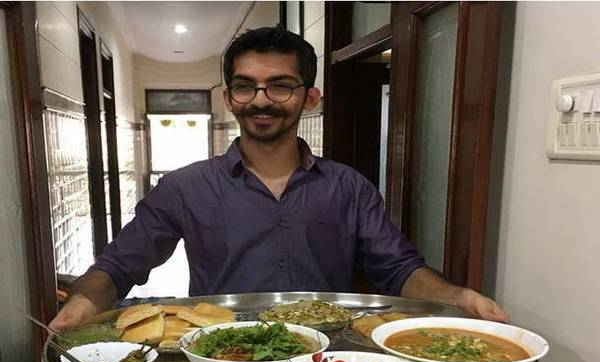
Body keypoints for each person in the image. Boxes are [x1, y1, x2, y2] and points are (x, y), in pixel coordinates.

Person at [50, 25, 507, 331]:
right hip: (220, 359)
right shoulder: (184, 188)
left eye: (281, 86)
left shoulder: (349, 188)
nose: (261, 99)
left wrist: (455, 297)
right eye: (245, 86)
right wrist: (84, 301)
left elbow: (398, 268)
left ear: (310, 98)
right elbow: (118, 265)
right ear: (229, 98)